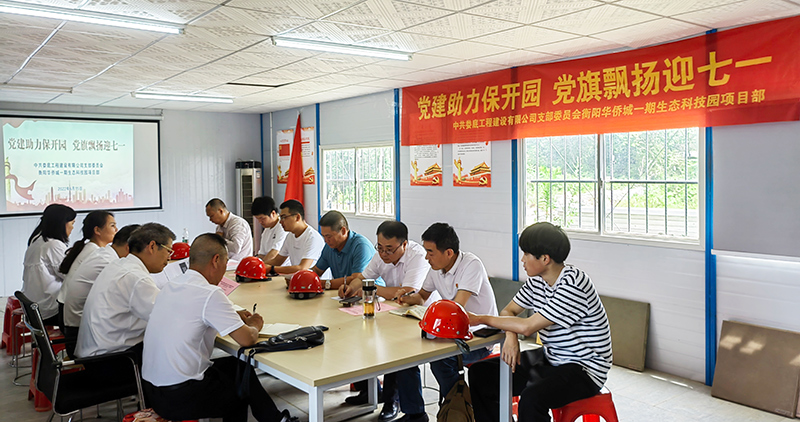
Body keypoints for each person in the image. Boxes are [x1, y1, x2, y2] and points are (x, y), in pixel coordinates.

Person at [142, 233, 298, 422]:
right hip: (179, 396)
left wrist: (231, 316)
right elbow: (247, 339)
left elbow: (193, 314)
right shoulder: (209, 293)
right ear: (216, 260)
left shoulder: (171, 285)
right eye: (225, 264)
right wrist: (255, 325)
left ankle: (275, 419)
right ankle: (275, 419)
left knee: (237, 366)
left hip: (152, 390)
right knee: (240, 392)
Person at [467, 223, 613, 422]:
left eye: (526, 254)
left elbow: (527, 327)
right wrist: (511, 337)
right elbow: (508, 311)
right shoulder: (537, 281)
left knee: (532, 398)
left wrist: (480, 318)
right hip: (552, 357)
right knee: (481, 373)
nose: (522, 260)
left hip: (584, 368)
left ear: (545, 259)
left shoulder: (573, 283)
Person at [398, 222, 498, 411]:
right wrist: (406, 297)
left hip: (478, 336)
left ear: (449, 253)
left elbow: (457, 308)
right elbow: (422, 296)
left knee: (441, 360)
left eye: (430, 252)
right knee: (404, 355)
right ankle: (415, 414)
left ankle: (460, 408)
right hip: (449, 332)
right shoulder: (436, 268)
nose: (426, 257)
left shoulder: (471, 265)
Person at [338, 220, 430, 421]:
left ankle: (398, 404)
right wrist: (351, 288)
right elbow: (363, 278)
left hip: (420, 314)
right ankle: (370, 392)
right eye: (379, 247)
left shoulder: (418, 256)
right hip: (395, 311)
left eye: (389, 249)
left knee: (403, 354)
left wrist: (371, 287)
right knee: (363, 339)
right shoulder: (381, 254)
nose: (383, 253)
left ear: (404, 244)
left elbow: (407, 294)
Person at [75, 223, 175, 360]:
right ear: (152, 246)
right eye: (168, 251)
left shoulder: (119, 264)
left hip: (94, 353)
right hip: (112, 359)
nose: (169, 257)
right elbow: (167, 317)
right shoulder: (136, 278)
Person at [61, 224, 140, 357]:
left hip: (79, 327)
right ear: (129, 247)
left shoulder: (104, 254)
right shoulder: (109, 263)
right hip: (81, 334)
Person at [57, 210, 116, 330]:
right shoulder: (96, 254)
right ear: (97, 230)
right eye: (112, 225)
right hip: (71, 315)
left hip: (66, 308)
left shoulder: (90, 248)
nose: (116, 230)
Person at [21, 204, 76, 326]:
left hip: (36, 308)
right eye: (72, 223)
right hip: (50, 310)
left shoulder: (36, 240)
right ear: (61, 224)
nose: (72, 228)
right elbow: (68, 275)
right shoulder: (53, 245)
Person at [310, 210, 374, 291]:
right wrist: (303, 276)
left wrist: (325, 284)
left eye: (329, 236)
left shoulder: (361, 246)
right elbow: (317, 270)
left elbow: (356, 279)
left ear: (343, 231)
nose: (326, 240)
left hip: (369, 293)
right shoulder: (329, 247)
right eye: (324, 236)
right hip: (343, 292)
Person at [262, 200, 324, 275]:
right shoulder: (290, 236)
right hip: (297, 279)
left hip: (315, 281)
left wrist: (272, 269)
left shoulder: (312, 238)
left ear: (297, 217)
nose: (280, 222)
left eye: (284, 217)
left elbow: (302, 268)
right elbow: (277, 261)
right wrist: (259, 266)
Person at [252, 196, 288, 264]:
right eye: (257, 219)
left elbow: (274, 253)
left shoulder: (283, 227)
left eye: (262, 218)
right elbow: (261, 254)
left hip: (283, 267)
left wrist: (260, 265)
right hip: (269, 266)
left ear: (273, 213)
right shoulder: (266, 230)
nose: (260, 222)